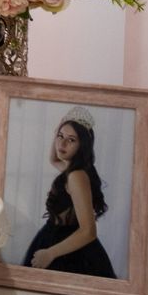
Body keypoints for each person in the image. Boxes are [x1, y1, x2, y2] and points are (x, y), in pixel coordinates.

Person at [22, 107, 117, 277]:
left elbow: (89, 231)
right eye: (60, 137)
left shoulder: (76, 176)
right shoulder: (71, 168)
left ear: (82, 145)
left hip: (67, 249)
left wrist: (50, 253)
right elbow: (53, 159)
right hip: (57, 237)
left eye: (71, 140)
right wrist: (59, 129)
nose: (62, 144)